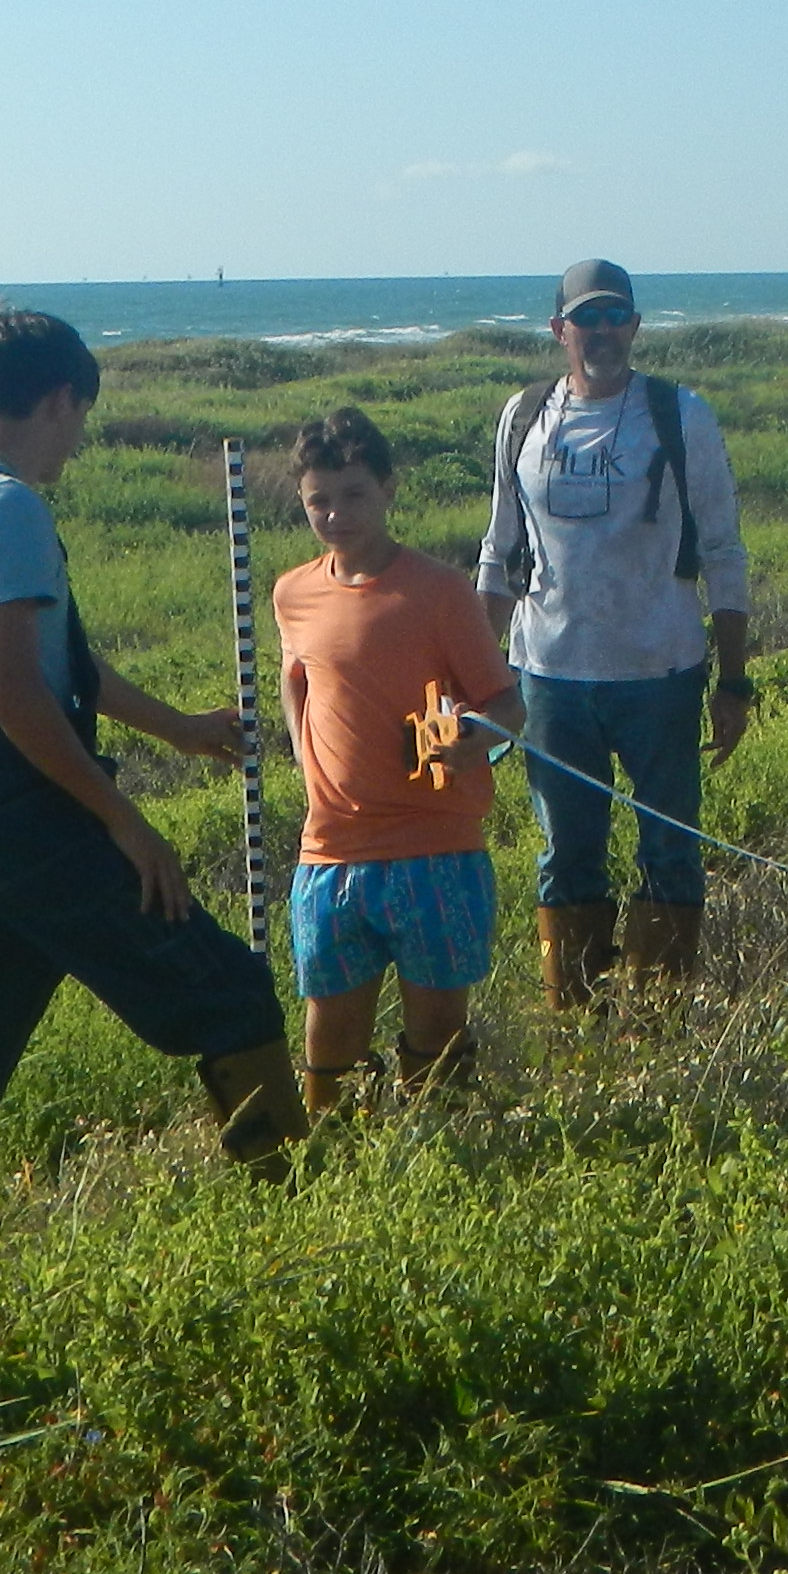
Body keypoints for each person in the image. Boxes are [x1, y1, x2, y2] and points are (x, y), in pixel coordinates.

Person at [0, 308, 298, 1224]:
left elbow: (62, 664)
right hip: (26, 821)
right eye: (81, 417)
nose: (77, 441)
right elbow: (15, 693)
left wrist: (177, 727)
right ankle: (289, 1214)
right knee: (227, 991)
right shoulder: (7, 509)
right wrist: (124, 822)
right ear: (58, 398)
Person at [479, 257, 755, 1003]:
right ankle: (576, 1022)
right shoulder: (523, 416)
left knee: (670, 850)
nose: (601, 332)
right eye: (586, 319)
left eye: (615, 317)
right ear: (558, 329)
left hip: (660, 674)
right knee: (566, 857)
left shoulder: (681, 413)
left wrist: (733, 682)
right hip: (549, 678)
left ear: (634, 326)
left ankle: (655, 1022)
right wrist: (476, 680)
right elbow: (499, 552)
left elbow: (724, 552)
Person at [271, 405, 520, 1112]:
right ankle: (333, 1164)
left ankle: (437, 1156)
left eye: (353, 495)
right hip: (331, 855)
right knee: (329, 1042)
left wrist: (475, 737)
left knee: (438, 1038)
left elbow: (506, 705)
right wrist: (305, 759)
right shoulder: (292, 592)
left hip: (435, 851)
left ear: (388, 489)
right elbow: (296, 682)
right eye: (319, 499)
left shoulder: (441, 591)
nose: (335, 514)